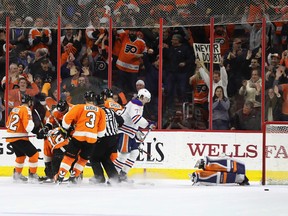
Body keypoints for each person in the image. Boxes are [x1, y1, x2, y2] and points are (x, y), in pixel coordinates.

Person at [55, 91, 106, 184]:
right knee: (83, 159)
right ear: (94, 100)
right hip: (92, 139)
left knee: (69, 157)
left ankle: (61, 175)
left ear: (85, 99)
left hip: (78, 137)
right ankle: (74, 176)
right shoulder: (101, 111)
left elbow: (66, 121)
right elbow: (102, 132)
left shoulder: (79, 107)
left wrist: (67, 128)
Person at [114, 88, 156, 182]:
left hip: (130, 133)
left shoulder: (138, 105)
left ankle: (122, 174)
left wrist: (137, 131)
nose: (147, 101)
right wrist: (148, 124)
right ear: (142, 97)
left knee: (134, 153)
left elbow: (134, 120)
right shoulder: (135, 104)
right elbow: (136, 119)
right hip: (125, 132)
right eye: (146, 99)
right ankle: (113, 176)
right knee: (123, 155)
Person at [89, 94, 124, 184]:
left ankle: (99, 177)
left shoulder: (97, 111)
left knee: (94, 158)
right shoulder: (110, 111)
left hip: (103, 138)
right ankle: (115, 178)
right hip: (113, 138)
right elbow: (121, 121)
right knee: (105, 158)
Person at [6, 94, 39, 183]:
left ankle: (17, 175)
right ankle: (32, 175)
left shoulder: (15, 108)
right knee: (34, 155)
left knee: (20, 156)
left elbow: (7, 125)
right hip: (19, 137)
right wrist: (36, 128)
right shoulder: (26, 109)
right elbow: (28, 127)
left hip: (11, 136)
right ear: (29, 102)